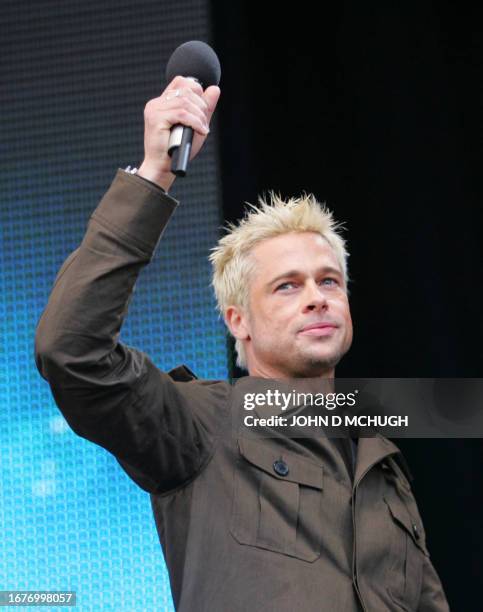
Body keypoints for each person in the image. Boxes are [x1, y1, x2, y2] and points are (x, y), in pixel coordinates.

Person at [34, 75, 450, 611]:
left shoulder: (382, 460)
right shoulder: (201, 423)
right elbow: (71, 351)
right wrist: (156, 173)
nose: (317, 298)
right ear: (238, 321)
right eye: (287, 286)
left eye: (329, 281)